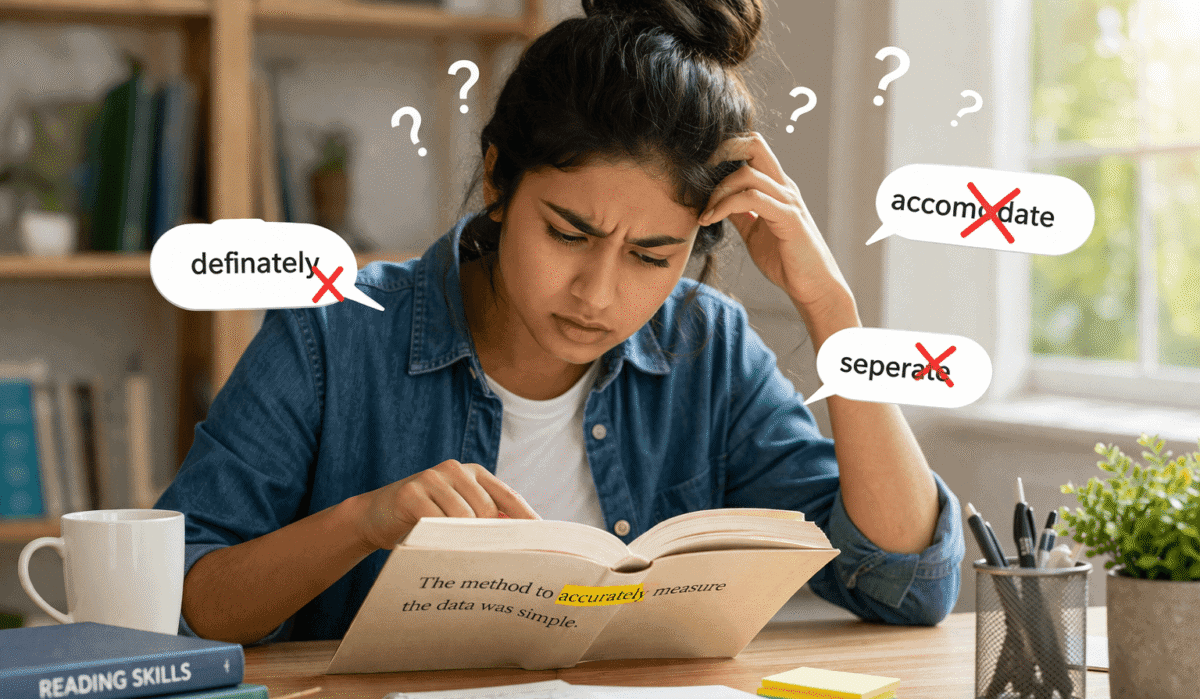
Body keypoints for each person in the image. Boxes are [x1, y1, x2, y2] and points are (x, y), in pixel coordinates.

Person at [160, 0, 964, 645]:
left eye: (653, 255)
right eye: (569, 234)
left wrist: (833, 311)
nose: (598, 294)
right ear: (499, 180)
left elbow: (904, 584)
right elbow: (191, 599)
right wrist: (367, 521)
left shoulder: (705, 346)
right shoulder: (333, 335)